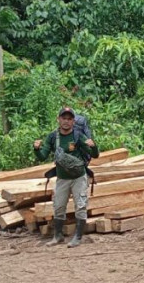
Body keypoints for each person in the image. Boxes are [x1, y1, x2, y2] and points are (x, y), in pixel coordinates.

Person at [33, 106, 98, 247]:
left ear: (73, 121)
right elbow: (43, 156)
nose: (66, 121)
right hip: (62, 178)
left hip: (79, 177)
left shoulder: (78, 136)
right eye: (64, 118)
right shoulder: (52, 137)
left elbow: (95, 155)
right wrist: (36, 149)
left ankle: (78, 237)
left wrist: (93, 147)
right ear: (58, 119)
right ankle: (58, 236)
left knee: (80, 206)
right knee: (59, 206)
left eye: (69, 119)